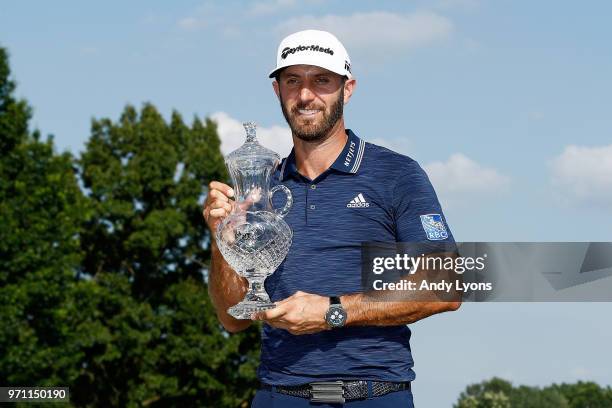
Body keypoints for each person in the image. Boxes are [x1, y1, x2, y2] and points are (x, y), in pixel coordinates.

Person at [203, 29, 460, 407]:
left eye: (321, 80)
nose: (306, 95)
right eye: (293, 81)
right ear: (278, 91)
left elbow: (447, 283)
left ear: (348, 88)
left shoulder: (396, 174)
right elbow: (232, 318)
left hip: (373, 395)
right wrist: (220, 237)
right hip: (279, 396)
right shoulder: (259, 191)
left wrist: (334, 311)